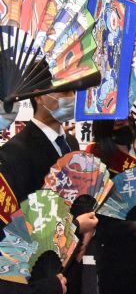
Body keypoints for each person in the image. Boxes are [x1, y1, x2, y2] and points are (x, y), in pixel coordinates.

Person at [0, 90, 97, 294]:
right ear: (39, 96)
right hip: (41, 276)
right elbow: (20, 226)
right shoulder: (14, 152)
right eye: (63, 91)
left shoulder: (71, 143)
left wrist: (88, 227)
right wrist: (75, 226)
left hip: (72, 263)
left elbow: (78, 195)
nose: (71, 97)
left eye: (72, 91)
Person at [86, 118, 136, 294]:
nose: (126, 125)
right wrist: (132, 228)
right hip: (115, 250)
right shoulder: (95, 157)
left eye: (128, 119)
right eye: (119, 124)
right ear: (105, 125)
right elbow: (93, 212)